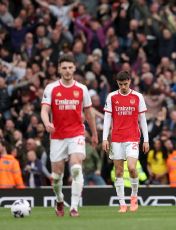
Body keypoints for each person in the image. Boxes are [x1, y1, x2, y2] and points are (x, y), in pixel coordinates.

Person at [41, 54, 98, 217]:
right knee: (56, 176)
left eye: (70, 67)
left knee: (75, 167)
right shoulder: (51, 88)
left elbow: (89, 113)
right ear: (59, 69)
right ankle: (59, 200)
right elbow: (44, 110)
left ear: (74, 68)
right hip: (57, 136)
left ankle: (74, 207)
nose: (67, 71)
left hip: (76, 134)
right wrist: (47, 123)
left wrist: (94, 133)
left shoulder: (82, 89)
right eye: (64, 68)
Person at [102, 70, 149, 213]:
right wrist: (105, 138)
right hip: (116, 138)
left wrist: (146, 140)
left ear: (130, 81)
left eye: (126, 83)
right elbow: (107, 119)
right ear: (117, 83)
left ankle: (134, 197)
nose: (123, 86)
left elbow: (143, 119)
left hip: (133, 137)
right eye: (121, 84)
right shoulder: (111, 97)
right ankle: (122, 203)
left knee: (132, 168)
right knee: (119, 171)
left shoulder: (138, 97)